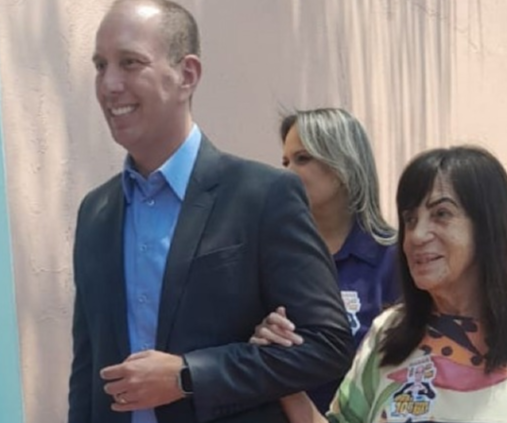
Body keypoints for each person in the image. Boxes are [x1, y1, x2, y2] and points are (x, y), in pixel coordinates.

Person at [67, 1, 354, 423]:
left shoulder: (263, 196)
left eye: (130, 63)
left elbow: (327, 344)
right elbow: (87, 372)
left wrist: (189, 375)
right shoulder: (96, 213)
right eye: (100, 65)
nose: (109, 84)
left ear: (187, 75)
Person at [252, 146, 507, 422]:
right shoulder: (388, 331)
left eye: (441, 214)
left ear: (488, 226)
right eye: (410, 219)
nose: (416, 235)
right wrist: (282, 372)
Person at [251, 109, 398, 413]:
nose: (286, 173)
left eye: (302, 159)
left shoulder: (396, 258)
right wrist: (263, 339)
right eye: (285, 162)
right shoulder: (270, 255)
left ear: (343, 164)